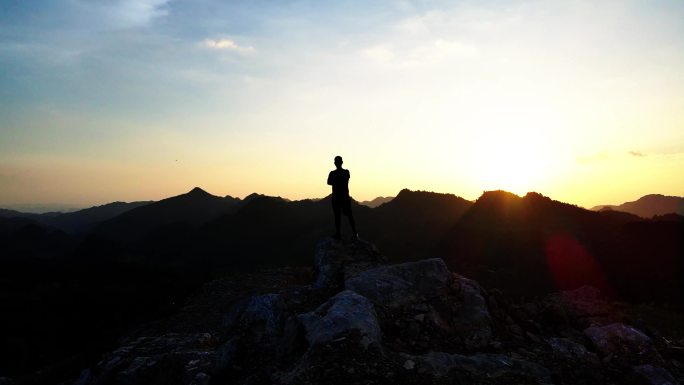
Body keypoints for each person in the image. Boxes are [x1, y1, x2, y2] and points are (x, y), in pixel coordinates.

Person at [327, 155, 358, 240]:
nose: (337, 163)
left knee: (341, 216)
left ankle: (346, 234)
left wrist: (336, 181)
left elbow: (330, 182)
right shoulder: (344, 172)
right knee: (345, 216)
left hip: (339, 197)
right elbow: (329, 182)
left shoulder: (336, 173)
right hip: (342, 197)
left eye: (337, 162)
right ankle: (352, 233)